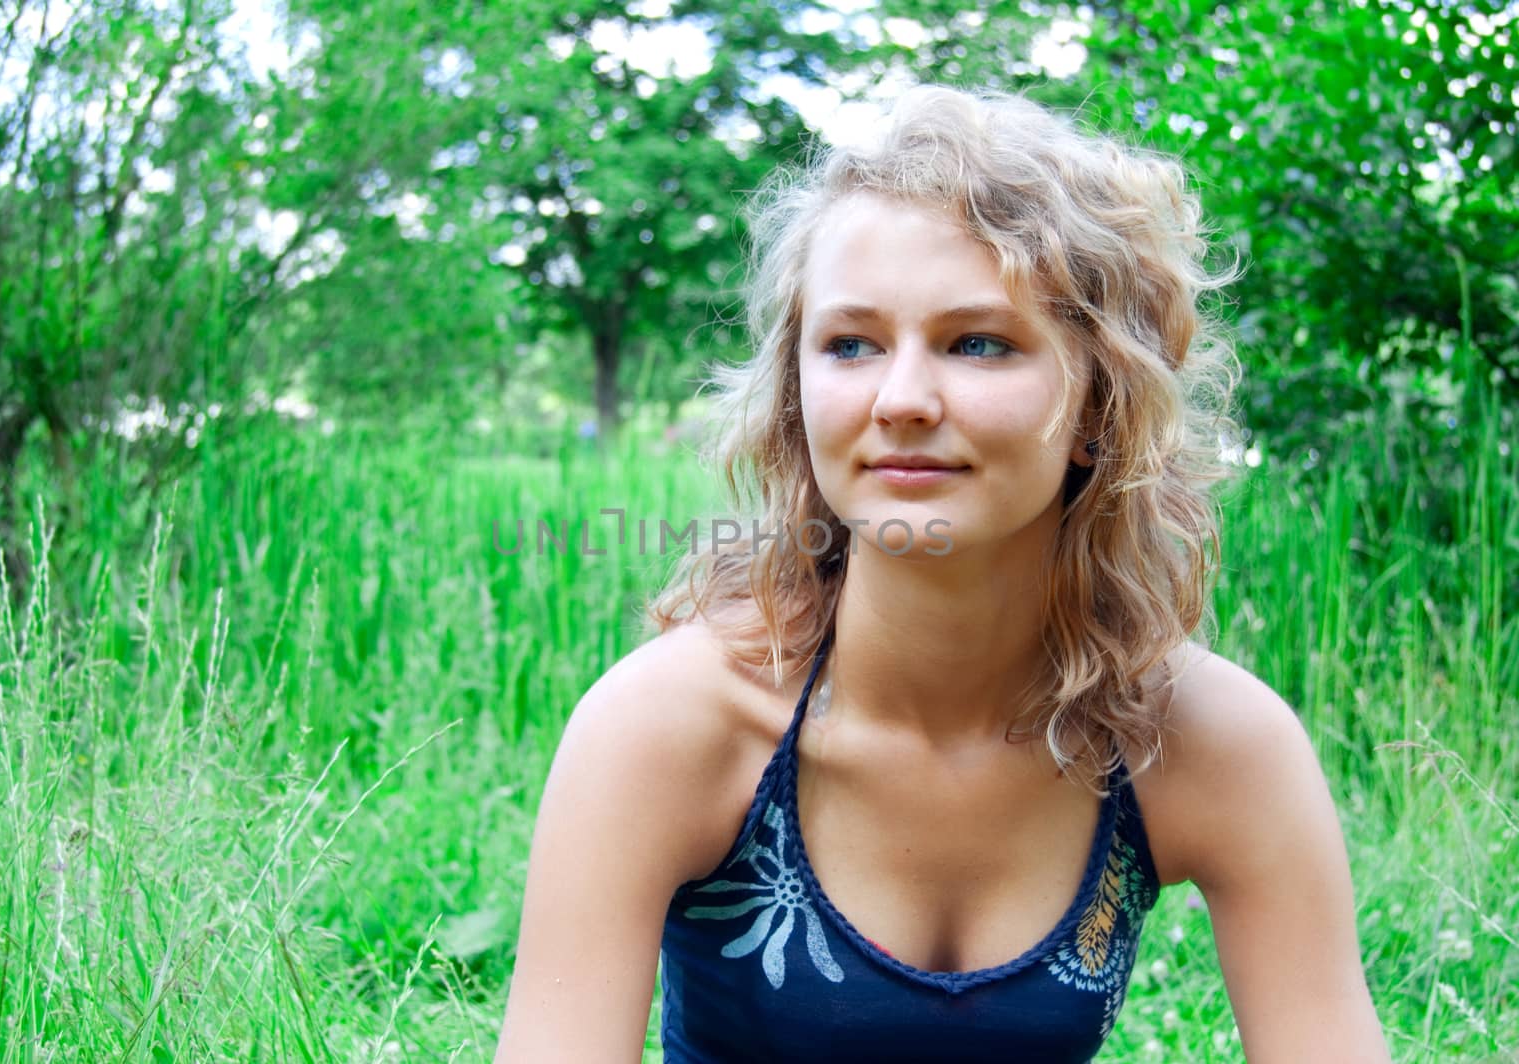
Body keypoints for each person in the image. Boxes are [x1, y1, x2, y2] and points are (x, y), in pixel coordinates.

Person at [494, 85, 1390, 1062]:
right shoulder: (669, 730)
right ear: (795, 394)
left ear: (1099, 402)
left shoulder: (1207, 741)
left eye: (976, 343)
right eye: (850, 344)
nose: (903, 398)